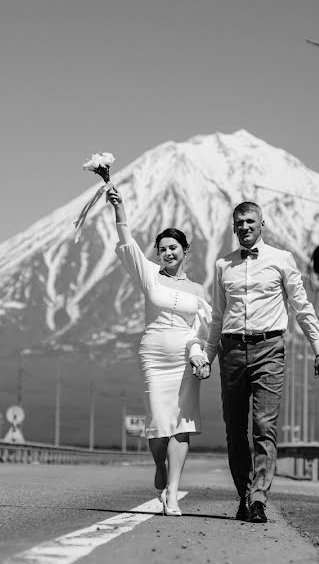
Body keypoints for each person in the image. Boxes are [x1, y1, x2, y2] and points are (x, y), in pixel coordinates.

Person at [203, 201, 319, 523]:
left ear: (262, 224)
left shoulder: (281, 260)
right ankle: (243, 496)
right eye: (239, 222)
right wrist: (206, 357)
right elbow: (217, 316)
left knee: (264, 426)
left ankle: (259, 498)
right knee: (234, 429)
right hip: (231, 350)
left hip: (269, 349)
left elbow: (301, 306)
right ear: (233, 227)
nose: (244, 227)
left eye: (250, 221)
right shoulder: (222, 266)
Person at [106, 183, 211, 516]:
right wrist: (118, 208)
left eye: (173, 247)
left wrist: (200, 357)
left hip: (184, 361)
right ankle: (160, 467)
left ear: (184, 250)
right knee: (158, 426)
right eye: (162, 248)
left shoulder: (198, 289)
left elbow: (204, 329)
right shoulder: (149, 275)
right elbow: (127, 242)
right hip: (154, 357)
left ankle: (173, 493)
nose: (167, 253)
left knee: (182, 424)